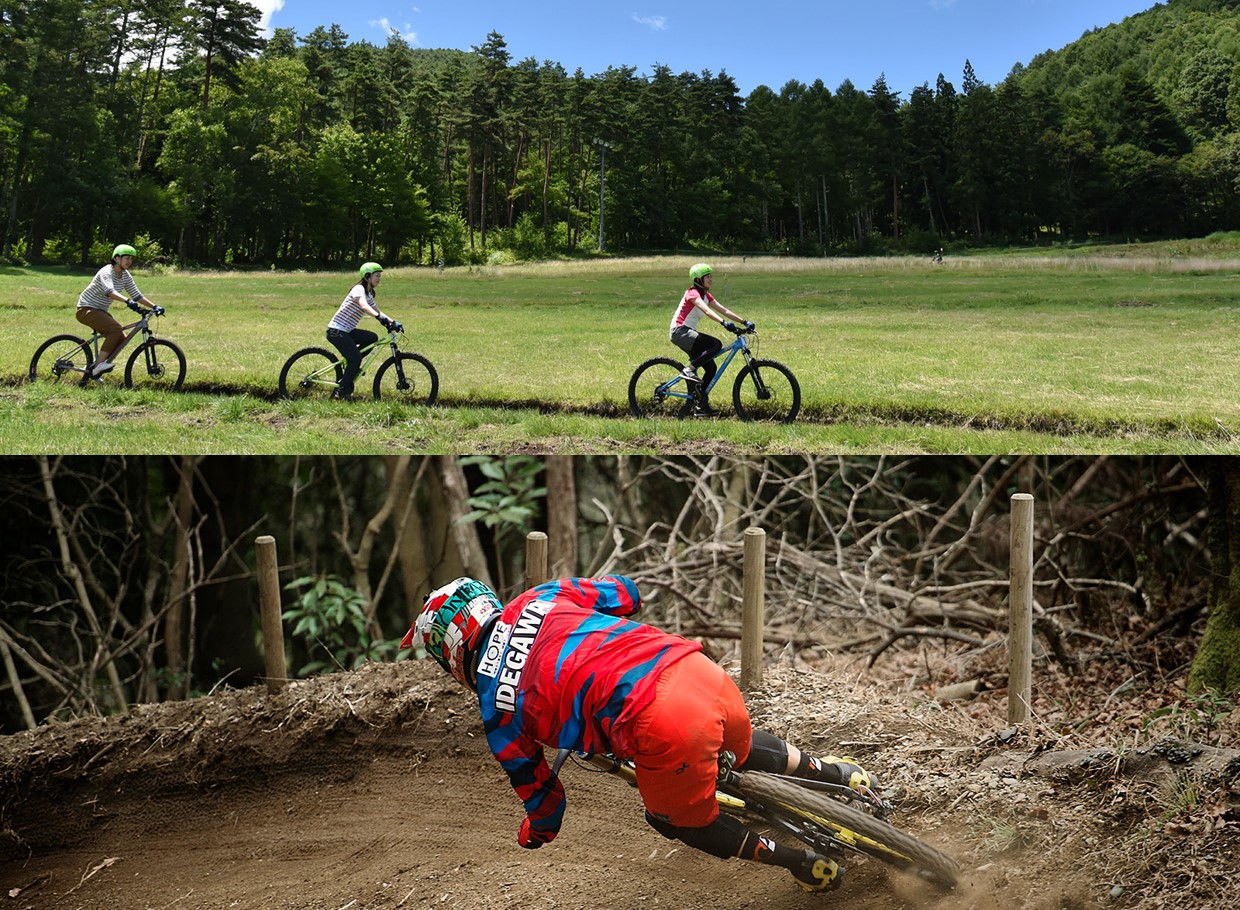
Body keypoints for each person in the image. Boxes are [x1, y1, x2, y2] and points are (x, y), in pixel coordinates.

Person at [402, 575, 880, 893]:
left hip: (661, 726)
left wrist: (535, 833)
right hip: (697, 668)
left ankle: (801, 862)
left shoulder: (496, 708)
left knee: (672, 819)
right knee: (737, 745)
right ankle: (839, 773)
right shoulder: (540, 596)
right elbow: (626, 593)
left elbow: (546, 803)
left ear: (451, 652)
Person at [669, 263, 754, 416]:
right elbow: (707, 311)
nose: (711, 279)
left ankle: (701, 404)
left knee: (711, 368)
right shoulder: (692, 293)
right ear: (698, 280)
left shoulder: (706, 295)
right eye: (707, 276)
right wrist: (723, 323)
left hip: (688, 333)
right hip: (680, 332)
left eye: (711, 276)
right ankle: (689, 370)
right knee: (715, 344)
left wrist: (744, 322)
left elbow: (724, 309)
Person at [76, 244, 161, 379]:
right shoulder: (106, 272)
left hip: (100, 310)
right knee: (115, 329)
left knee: (121, 338)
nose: (129, 261)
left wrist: (155, 306)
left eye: (131, 259)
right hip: (86, 309)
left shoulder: (125, 275)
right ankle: (98, 367)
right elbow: (109, 291)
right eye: (126, 258)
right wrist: (127, 301)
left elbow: (137, 295)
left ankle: (95, 368)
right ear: (116, 258)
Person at [326, 262, 398, 400]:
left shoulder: (369, 294)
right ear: (367, 276)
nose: (379, 278)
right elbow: (364, 306)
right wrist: (378, 317)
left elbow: (378, 311)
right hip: (336, 331)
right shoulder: (358, 289)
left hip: (347, 331)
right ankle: (341, 392)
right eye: (377, 275)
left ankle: (351, 370)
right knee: (355, 358)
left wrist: (393, 322)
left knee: (371, 338)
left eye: (380, 276)